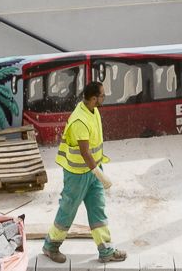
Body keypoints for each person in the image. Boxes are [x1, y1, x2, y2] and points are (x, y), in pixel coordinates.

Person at [41, 80, 125, 264]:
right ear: (94, 98)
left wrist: (97, 171)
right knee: (68, 209)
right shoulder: (80, 120)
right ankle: (51, 246)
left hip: (93, 170)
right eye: (102, 95)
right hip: (77, 173)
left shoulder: (92, 111)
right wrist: (100, 174)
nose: (105, 97)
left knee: (98, 208)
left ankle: (106, 250)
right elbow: (85, 152)